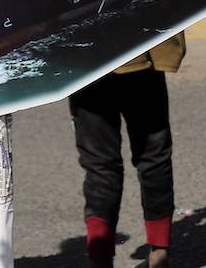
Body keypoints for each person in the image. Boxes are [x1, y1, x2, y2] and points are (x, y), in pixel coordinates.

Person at [70, 33, 185, 268]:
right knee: (153, 156)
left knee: (100, 165)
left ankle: (102, 260)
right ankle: (159, 253)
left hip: (89, 57)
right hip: (140, 48)